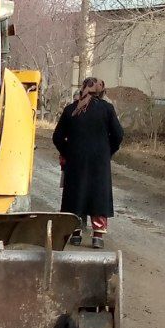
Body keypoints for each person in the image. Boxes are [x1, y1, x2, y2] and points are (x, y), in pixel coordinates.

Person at [52, 77, 123, 248]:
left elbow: (57, 137)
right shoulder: (107, 109)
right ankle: (97, 236)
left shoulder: (71, 110)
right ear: (101, 91)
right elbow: (118, 135)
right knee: (98, 194)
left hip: (76, 161)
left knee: (75, 193)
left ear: (83, 89)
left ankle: (75, 233)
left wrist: (68, 152)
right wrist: (107, 152)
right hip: (100, 162)